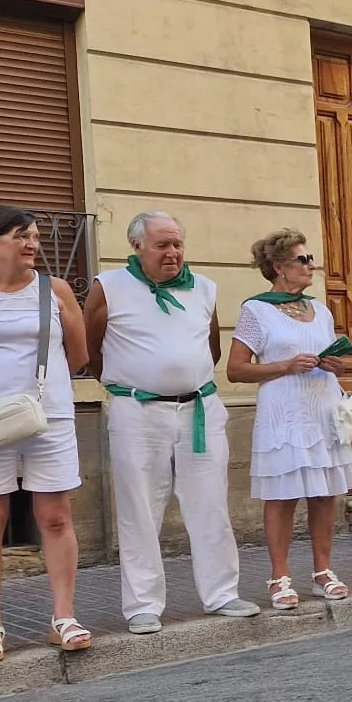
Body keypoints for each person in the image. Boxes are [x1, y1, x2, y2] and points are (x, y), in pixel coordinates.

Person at [85, 211, 257, 632]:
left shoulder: (204, 288)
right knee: (139, 506)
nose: (173, 253)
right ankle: (142, 604)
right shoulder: (109, 287)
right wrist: (137, 381)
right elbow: (91, 352)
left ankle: (222, 593)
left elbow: (210, 349)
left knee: (211, 502)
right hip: (137, 411)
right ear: (137, 246)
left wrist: (182, 376)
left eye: (178, 244)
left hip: (198, 409)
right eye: (162, 245)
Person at [0, 206, 92, 662]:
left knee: (55, 517)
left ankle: (63, 617)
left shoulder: (55, 290)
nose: (32, 244)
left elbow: (79, 354)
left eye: (35, 236)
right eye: (20, 236)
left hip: (50, 418)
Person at [229, 228, 352, 609]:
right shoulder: (256, 309)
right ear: (278, 267)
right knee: (281, 496)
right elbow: (236, 369)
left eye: (310, 258)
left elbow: (328, 356)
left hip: (321, 406)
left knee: (323, 493)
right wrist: (285, 365)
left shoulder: (321, 310)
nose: (311, 265)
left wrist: (334, 363)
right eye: (302, 260)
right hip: (284, 412)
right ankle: (280, 576)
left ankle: (323, 571)